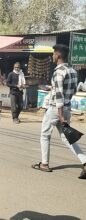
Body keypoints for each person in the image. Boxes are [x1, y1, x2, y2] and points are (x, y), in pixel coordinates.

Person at [32, 44, 86, 179]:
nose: (52, 56)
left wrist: (60, 114)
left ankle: (44, 164)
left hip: (56, 109)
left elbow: (59, 95)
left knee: (45, 135)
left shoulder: (58, 72)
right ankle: (85, 161)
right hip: (67, 108)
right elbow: (73, 91)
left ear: (59, 55)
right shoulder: (73, 71)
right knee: (67, 137)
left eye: (54, 53)